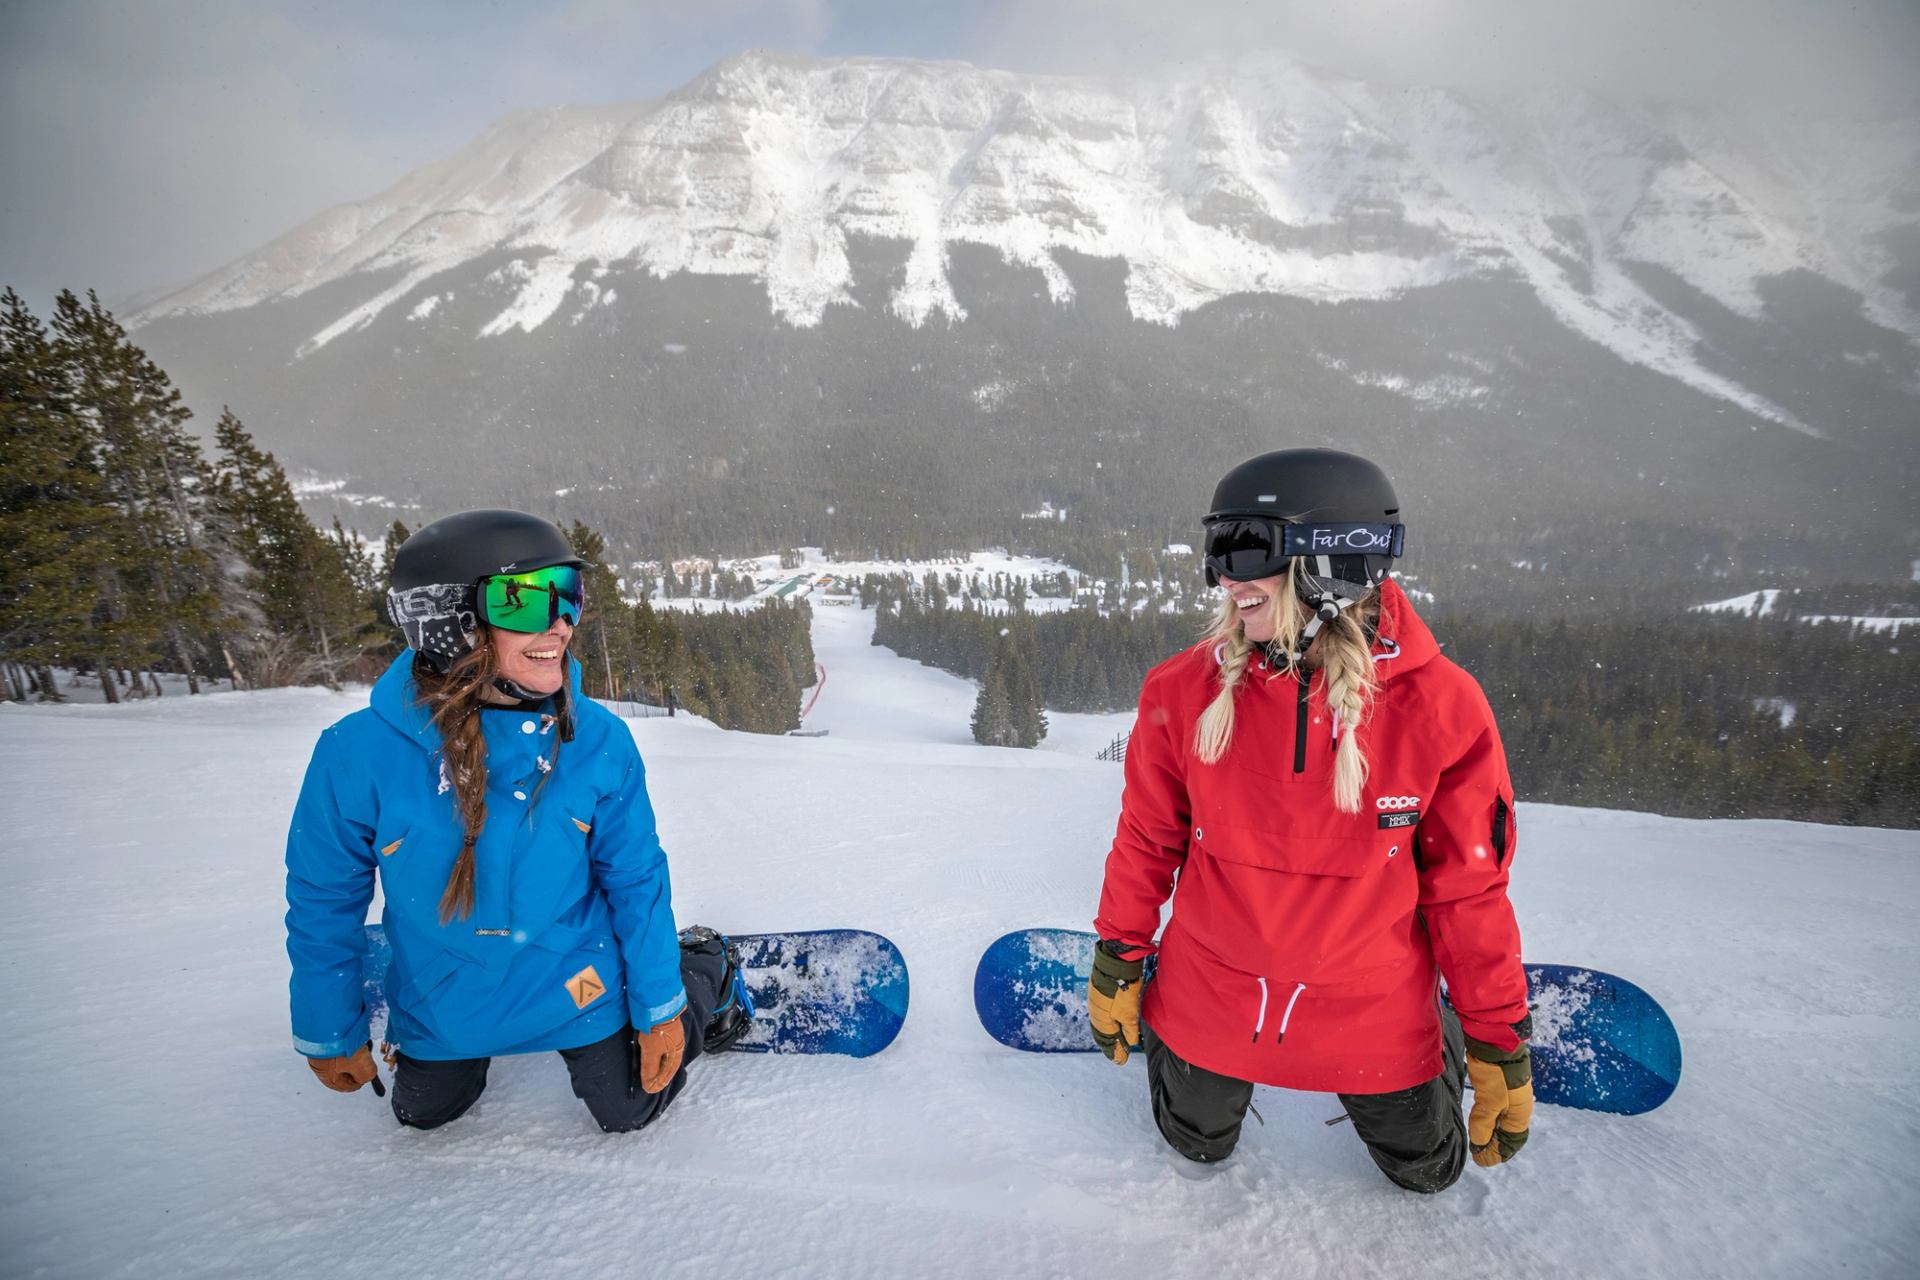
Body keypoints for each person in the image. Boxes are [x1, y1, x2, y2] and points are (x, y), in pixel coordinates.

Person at [1087, 449, 1533, 1192]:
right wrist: (1120, 952)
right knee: (1193, 1144)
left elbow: (1468, 888)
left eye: (1247, 549)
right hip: (1215, 993)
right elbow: (1148, 838)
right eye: (1218, 552)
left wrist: (1496, 1032)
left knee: (1430, 1171)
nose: (1226, 578)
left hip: (1371, 1004)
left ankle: (1442, 1028)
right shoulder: (1181, 690)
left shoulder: (1441, 708)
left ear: (1333, 562)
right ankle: (1190, 1037)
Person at [286, 509, 754, 1132]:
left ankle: (704, 966)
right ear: (448, 622)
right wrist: (327, 1023)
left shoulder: (597, 742)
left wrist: (663, 1004)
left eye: (568, 595)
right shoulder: (356, 756)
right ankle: (425, 987)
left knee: (629, 1107)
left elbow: (635, 878)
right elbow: (323, 897)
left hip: (574, 974)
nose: (560, 622)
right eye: (525, 599)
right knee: (422, 1115)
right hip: (445, 991)